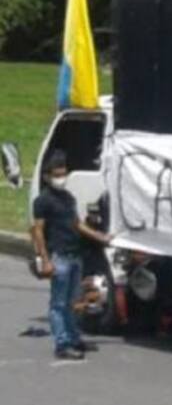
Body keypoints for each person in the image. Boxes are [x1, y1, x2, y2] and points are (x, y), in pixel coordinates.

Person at [30, 150, 110, 360]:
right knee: (59, 303)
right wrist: (45, 259)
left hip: (75, 256)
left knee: (73, 302)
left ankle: (74, 337)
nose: (61, 178)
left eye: (63, 173)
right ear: (47, 176)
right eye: (57, 174)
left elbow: (77, 224)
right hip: (60, 256)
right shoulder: (43, 201)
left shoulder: (68, 198)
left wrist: (100, 236)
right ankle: (62, 344)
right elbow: (38, 230)